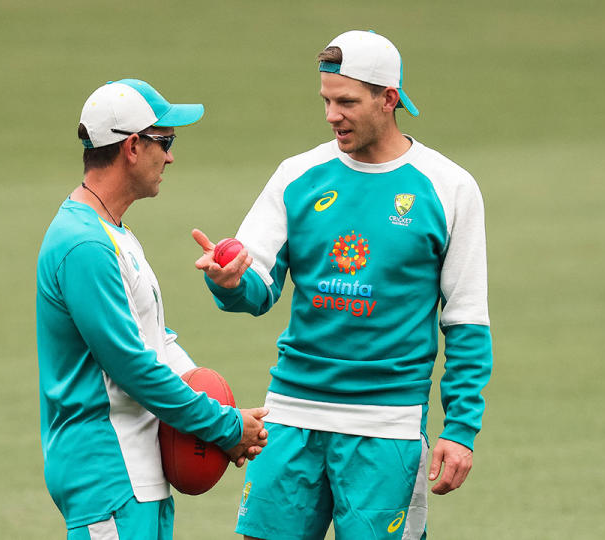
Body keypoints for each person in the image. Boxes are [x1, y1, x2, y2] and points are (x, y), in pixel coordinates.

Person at [192, 31, 492, 539]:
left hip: (387, 428)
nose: (333, 115)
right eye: (327, 101)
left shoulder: (449, 187)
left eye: (347, 102)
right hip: (290, 416)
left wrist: (459, 429)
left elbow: (466, 320)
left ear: (388, 99)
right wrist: (229, 283)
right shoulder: (298, 175)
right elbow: (256, 288)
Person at [36, 78, 268, 540]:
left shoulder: (112, 232)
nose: (171, 156)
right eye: (165, 141)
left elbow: (154, 342)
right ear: (133, 147)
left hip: (137, 475)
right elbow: (132, 366)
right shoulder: (84, 244)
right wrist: (222, 425)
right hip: (109, 475)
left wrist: (227, 419)